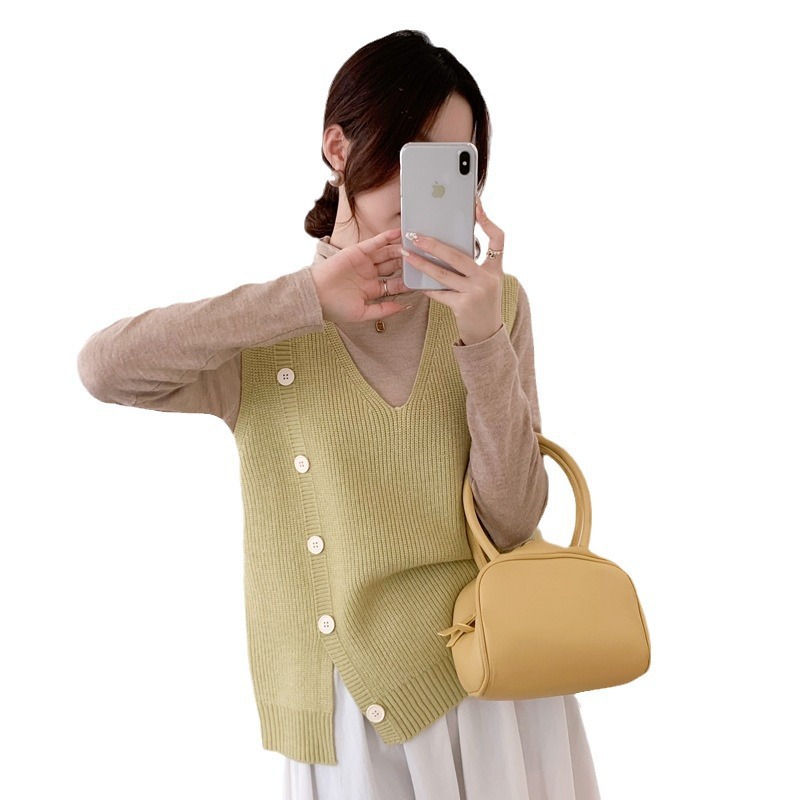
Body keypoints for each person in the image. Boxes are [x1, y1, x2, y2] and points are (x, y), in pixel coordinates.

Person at [77, 28, 602, 800]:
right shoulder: (270, 334)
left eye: (456, 164)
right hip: (351, 711)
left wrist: (483, 338)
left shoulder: (496, 308)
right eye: (415, 154)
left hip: (494, 680)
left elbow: (514, 520)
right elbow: (103, 368)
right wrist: (307, 300)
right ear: (338, 148)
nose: (430, 187)